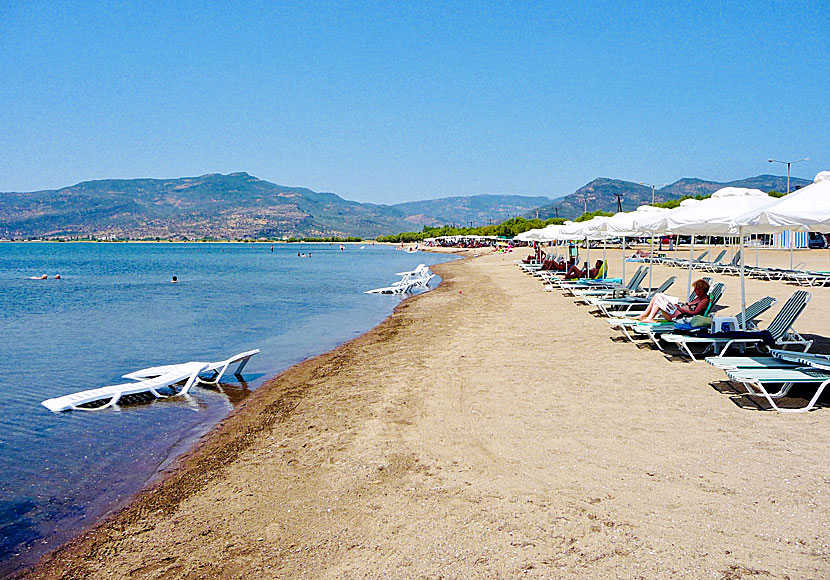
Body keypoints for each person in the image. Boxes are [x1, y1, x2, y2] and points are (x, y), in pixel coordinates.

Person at [636, 278, 710, 323]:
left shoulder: (704, 300)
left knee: (659, 299)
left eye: (696, 289)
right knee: (658, 295)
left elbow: (695, 313)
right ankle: (645, 314)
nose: (694, 290)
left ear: (701, 289)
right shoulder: (698, 297)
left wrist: (680, 308)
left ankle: (650, 318)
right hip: (678, 312)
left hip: (681, 318)